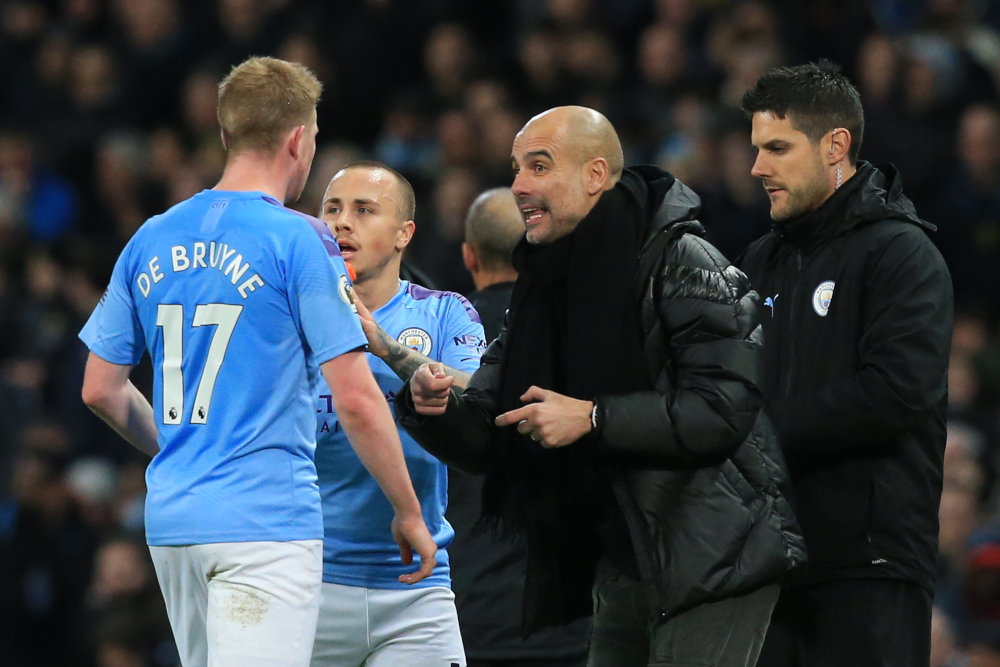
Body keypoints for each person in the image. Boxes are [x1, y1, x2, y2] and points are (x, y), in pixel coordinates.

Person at [395, 106, 806, 667]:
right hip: (621, 554)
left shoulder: (683, 261)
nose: (518, 185)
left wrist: (593, 418)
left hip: (714, 556)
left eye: (539, 166)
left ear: (594, 175)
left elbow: (724, 409)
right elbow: (494, 423)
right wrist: (435, 409)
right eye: (516, 168)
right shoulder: (543, 281)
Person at [78, 58, 436, 667]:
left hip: (174, 525)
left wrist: (183, 449)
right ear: (299, 138)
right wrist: (408, 510)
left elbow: (100, 390)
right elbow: (353, 397)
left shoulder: (151, 236)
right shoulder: (299, 238)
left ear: (225, 135)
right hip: (265, 524)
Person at [738, 61, 953, 667]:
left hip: (869, 566)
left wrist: (752, 433)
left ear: (836, 146)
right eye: (756, 150)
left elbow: (894, 396)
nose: (758, 168)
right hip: (769, 568)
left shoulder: (901, 254)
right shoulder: (759, 262)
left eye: (777, 148)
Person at [310, 161, 485, 667]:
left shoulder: (444, 311)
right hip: (309, 581)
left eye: (364, 210)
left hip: (418, 589)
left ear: (404, 233)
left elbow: (484, 396)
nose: (343, 223)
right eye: (333, 210)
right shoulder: (289, 319)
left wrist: (389, 350)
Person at [450, 187, 591, 667]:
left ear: (470, 257)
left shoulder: (439, 339)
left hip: (468, 612)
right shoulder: (589, 334)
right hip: (572, 617)